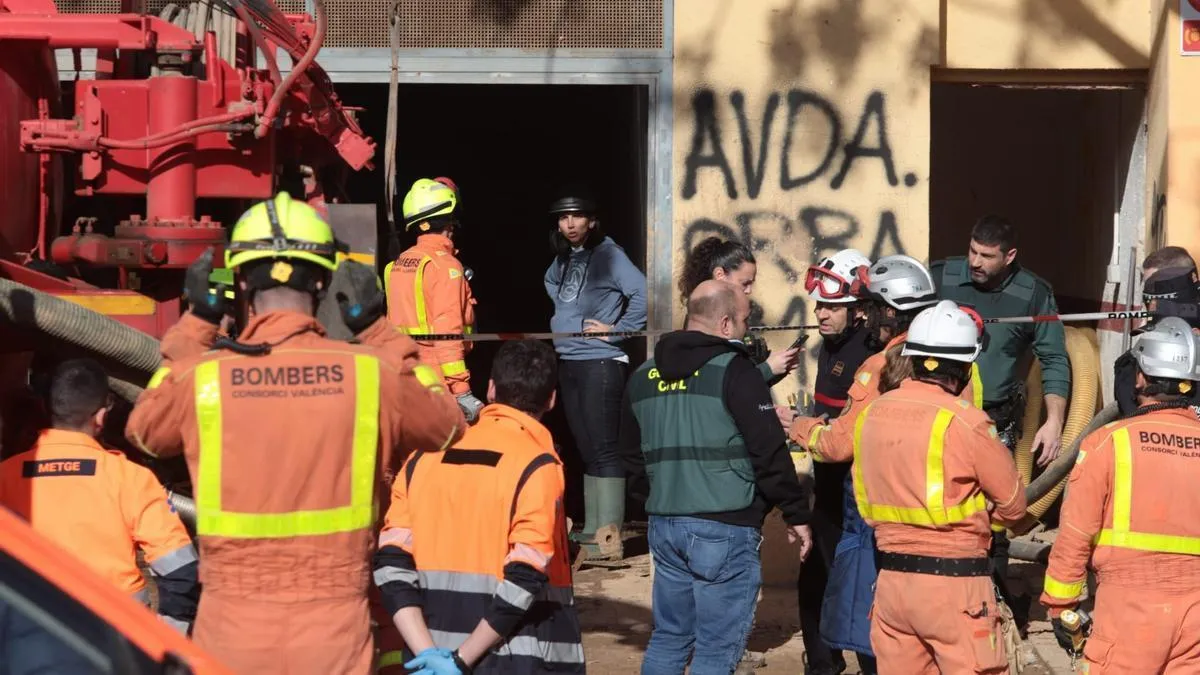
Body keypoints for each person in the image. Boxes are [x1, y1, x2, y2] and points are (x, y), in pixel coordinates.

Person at [125, 192, 466, 674]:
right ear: (325, 282)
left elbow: (142, 433)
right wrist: (379, 330)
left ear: (240, 282)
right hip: (334, 637)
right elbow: (449, 426)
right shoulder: (373, 373)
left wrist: (196, 326)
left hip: (230, 634)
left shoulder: (202, 377)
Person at [781, 254, 968, 675]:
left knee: (872, 611)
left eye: (866, 308)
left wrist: (798, 426)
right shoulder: (960, 367)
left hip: (871, 508)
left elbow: (838, 444)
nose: (865, 318)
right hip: (936, 519)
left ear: (886, 309)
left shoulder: (877, 364)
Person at [620, 279, 813, 675]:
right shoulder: (735, 371)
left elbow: (629, 456)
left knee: (670, 638)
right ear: (725, 324)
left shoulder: (642, 375)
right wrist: (795, 512)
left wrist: (656, 501)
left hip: (665, 524)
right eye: (743, 321)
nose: (746, 329)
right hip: (723, 525)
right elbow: (768, 449)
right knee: (716, 648)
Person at [373, 339, 584, 674]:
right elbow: (525, 575)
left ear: (490, 389)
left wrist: (429, 654)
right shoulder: (539, 466)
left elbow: (391, 564)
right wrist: (460, 660)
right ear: (552, 399)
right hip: (516, 657)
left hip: (429, 652)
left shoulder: (422, 459)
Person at [854, 300, 1026, 674]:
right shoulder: (967, 422)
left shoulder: (871, 415)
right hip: (956, 587)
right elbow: (1014, 507)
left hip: (893, 586)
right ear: (965, 367)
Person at [929, 214, 1069, 624]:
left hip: (994, 421)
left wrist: (1055, 421)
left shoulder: (1034, 294)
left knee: (996, 514)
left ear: (1009, 256)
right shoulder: (942, 276)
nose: (975, 261)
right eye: (972, 251)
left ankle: (993, 605)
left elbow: (1055, 358)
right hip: (938, 415)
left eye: (986, 256)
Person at [1041, 316, 1200, 672]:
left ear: (1141, 378)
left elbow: (1076, 533)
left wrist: (1060, 603)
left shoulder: (1107, 443)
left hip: (1130, 611)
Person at [0, 358, 199, 634]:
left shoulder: (5, 476)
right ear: (102, 416)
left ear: (47, 408)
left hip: (27, 641)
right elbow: (181, 574)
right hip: (116, 646)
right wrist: (166, 643)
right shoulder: (131, 478)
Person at [544, 187, 647, 562]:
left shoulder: (609, 254)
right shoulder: (566, 259)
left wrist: (616, 329)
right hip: (570, 358)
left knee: (605, 447)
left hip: (601, 361)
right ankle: (593, 529)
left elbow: (642, 292)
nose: (569, 224)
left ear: (592, 220)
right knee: (587, 447)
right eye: (563, 217)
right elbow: (553, 285)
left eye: (576, 217)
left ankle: (610, 535)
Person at [794, 248, 873, 675]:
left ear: (859, 309)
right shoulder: (830, 347)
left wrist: (803, 426)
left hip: (859, 493)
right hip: (827, 483)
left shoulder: (870, 353)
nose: (822, 314)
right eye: (820, 305)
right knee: (814, 580)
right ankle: (823, 664)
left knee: (859, 585)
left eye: (832, 306)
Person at [385, 177, 484, 423]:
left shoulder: (397, 264)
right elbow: (447, 332)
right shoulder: (445, 265)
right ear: (449, 220)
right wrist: (462, 392)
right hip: (436, 377)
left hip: (403, 371)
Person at [677, 236, 801, 383]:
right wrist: (768, 368)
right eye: (744, 283)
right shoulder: (707, 320)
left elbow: (738, 385)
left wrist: (773, 369)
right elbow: (720, 384)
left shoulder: (724, 315)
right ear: (720, 275)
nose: (748, 291)